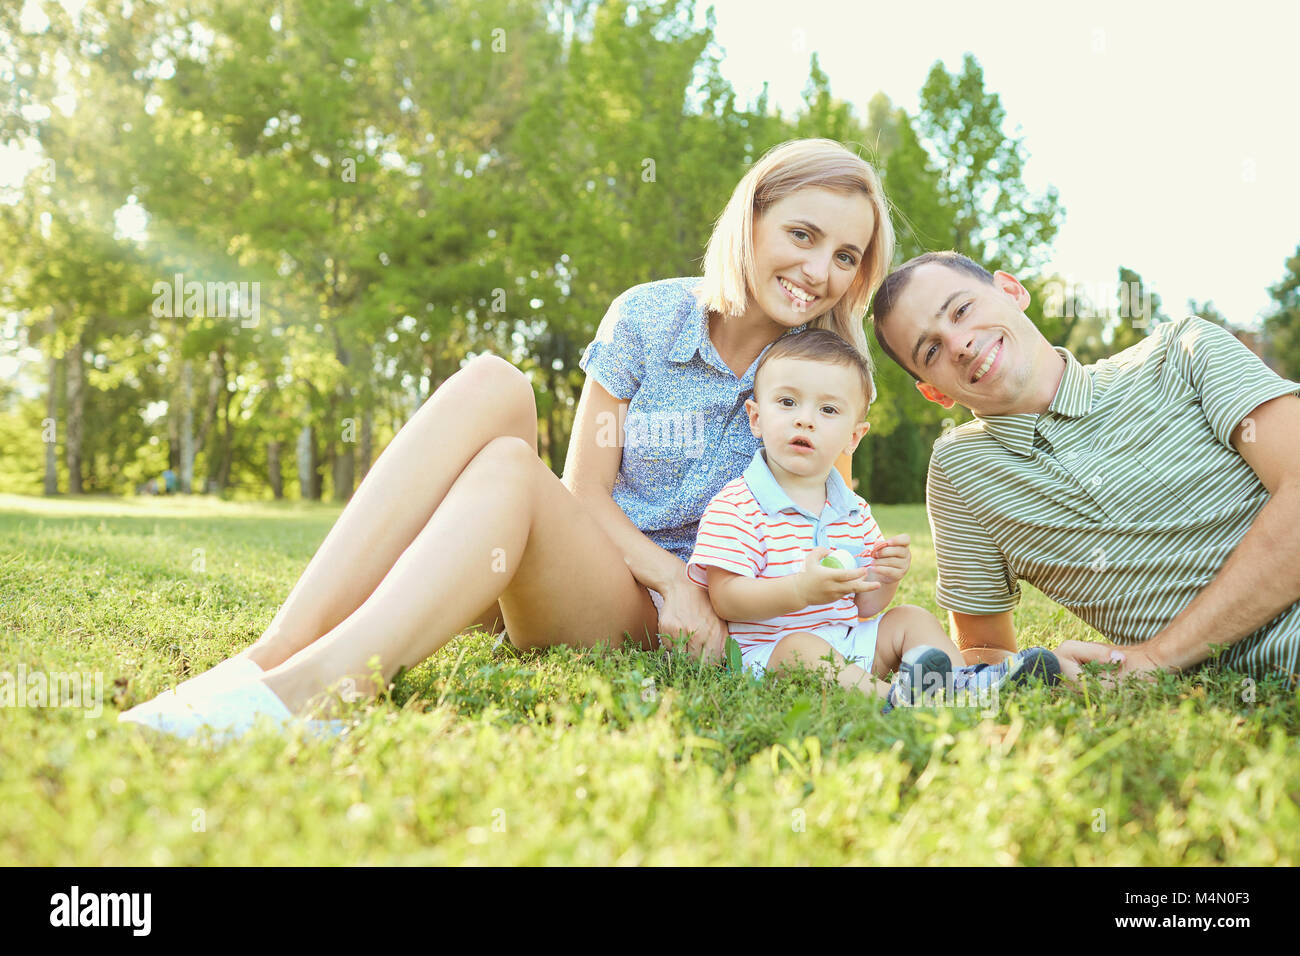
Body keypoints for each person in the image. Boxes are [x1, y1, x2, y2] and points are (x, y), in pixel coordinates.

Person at [118, 138, 899, 738]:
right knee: (495, 384)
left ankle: (320, 691)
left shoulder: (829, 375)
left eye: (845, 256)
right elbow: (586, 490)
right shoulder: (648, 315)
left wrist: (819, 599)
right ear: (751, 218)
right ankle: (277, 647)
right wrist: (671, 576)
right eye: (801, 233)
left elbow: (827, 527)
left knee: (512, 474)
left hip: (656, 619)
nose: (817, 270)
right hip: (599, 565)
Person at [870, 250, 1300, 685]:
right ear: (934, 393)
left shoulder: (1184, 351)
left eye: (962, 310)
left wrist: (1157, 657)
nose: (959, 344)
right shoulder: (959, 470)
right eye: (931, 350)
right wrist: (1049, 674)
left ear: (1011, 290)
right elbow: (983, 650)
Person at [686, 328, 1059, 708]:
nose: (805, 420)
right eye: (787, 402)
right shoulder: (737, 505)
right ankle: (894, 701)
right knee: (800, 645)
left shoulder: (853, 510)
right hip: (771, 658)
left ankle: (962, 684)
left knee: (910, 618)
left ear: (854, 436)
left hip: (850, 646)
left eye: (828, 410)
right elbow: (726, 599)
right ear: (756, 418)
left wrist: (884, 578)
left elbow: (864, 607)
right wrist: (801, 590)